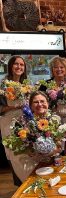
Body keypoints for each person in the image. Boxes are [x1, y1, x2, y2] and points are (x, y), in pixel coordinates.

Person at [9, 91, 61, 183]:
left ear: (48, 103)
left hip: (52, 159)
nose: (40, 104)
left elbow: (59, 141)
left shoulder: (55, 119)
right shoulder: (23, 122)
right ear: (30, 106)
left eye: (42, 101)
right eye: (36, 102)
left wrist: (55, 149)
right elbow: (23, 146)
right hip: (33, 162)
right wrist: (32, 151)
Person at [0, 56, 28, 185]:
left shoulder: (26, 85)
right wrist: (14, 106)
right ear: (10, 66)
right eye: (16, 64)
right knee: (14, 153)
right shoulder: (3, 85)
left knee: (26, 152)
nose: (19, 67)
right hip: (8, 123)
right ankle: (19, 184)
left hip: (24, 122)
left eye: (22, 65)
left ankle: (28, 182)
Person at [39, 56, 66, 121]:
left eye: (61, 67)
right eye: (56, 67)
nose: (59, 69)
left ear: (65, 69)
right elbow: (40, 102)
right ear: (52, 70)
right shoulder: (44, 85)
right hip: (50, 120)